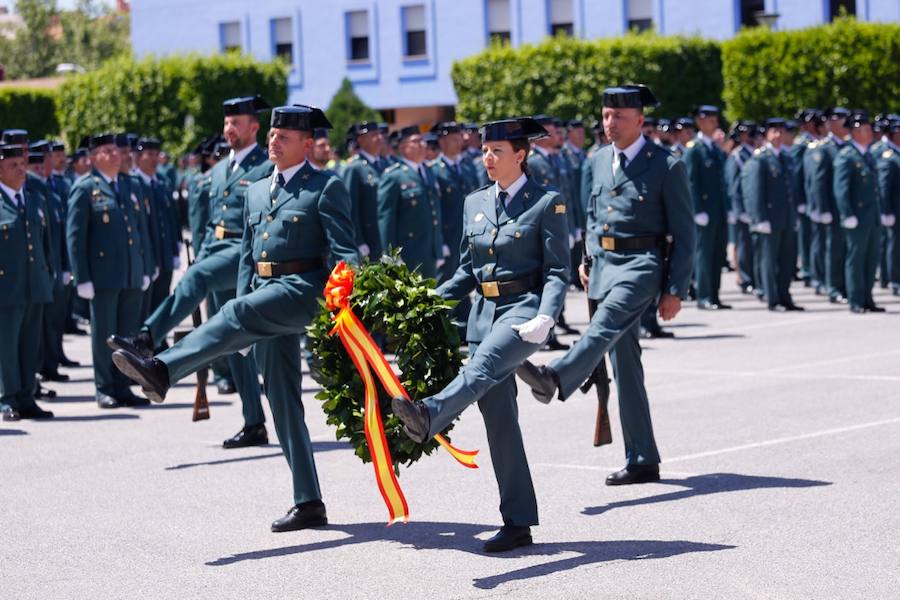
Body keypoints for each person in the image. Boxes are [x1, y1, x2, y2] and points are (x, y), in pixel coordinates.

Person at [112, 105, 358, 533]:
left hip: (303, 292)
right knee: (281, 399)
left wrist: (341, 305)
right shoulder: (257, 190)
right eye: (273, 134)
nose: (274, 140)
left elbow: (344, 254)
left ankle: (163, 369)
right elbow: (247, 257)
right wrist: (243, 314)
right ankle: (309, 501)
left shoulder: (325, 186)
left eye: (285, 135)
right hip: (263, 295)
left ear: (305, 143)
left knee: (235, 310)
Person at [391, 116, 569, 553]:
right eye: (485, 151)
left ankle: (430, 414)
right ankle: (519, 521)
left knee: (483, 365)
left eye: (498, 152)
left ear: (521, 155)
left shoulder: (547, 203)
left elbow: (559, 270)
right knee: (500, 420)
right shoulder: (475, 203)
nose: (488, 158)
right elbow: (467, 272)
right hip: (483, 314)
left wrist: (547, 314)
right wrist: (426, 302)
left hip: (522, 312)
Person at [516, 84, 695, 486]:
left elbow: (685, 234)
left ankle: (557, 378)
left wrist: (675, 290)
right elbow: (592, 219)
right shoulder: (596, 162)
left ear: (640, 121)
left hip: (642, 265)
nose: (609, 123)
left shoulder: (666, 165)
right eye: (606, 115)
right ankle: (643, 458)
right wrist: (585, 259)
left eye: (619, 117)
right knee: (624, 363)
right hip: (604, 266)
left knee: (605, 325)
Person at [108, 96, 271, 446]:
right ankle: (254, 422)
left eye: (236, 123)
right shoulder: (218, 170)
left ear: (254, 127)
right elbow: (209, 221)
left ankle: (147, 339)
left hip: (244, 252)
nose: (229, 129)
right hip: (217, 251)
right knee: (234, 342)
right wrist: (202, 252)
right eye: (227, 123)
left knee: (196, 278)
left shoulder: (265, 166)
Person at [67, 133, 152, 408]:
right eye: (106, 151)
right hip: (102, 276)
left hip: (130, 272)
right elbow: (75, 237)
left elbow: (141, 231)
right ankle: (104, 387)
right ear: (93, 158)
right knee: (105, 333)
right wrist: (82, 277)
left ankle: (123, 385)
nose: (115, 154)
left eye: (115, 149)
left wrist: (146, 266)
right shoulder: (84, 188)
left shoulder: (130, 185)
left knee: (127, 335)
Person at [0, 143, 55, 421]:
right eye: (13, 166)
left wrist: (50, 274)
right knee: (6, 345)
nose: (21, 170)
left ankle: (26, 396)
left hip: (35, 284)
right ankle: (6, 398)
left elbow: (46, 244)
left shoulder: (34, 199)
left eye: (22, 165)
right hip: (7, 288)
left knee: (30, 344)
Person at [742, 119, 803, 312]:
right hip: (769, 218)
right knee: (769, 261)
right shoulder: (760, 158)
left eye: (781, 132)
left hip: (786, 218)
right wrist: (758, 218)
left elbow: (791, 191)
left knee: (787, 261)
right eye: (774, 132)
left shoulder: (786, 158)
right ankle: (772, 298)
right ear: (767, 135)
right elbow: (754, 191)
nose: (778, 135)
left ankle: (785, 296)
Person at [376, 125, 446, 279]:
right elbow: (386, 220)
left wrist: (439, 246)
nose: (422, 145)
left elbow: (435, 212)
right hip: (408, 254)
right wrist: (391, 257)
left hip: (430, 252)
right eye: (416, 141)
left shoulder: (428, 171)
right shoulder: (394, 176)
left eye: (422, 141)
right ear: (402, 147)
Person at [834, 111, 884, 313]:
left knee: (871, 259)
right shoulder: (846, 156)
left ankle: (867, 298)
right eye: (864, 130)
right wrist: (847, 214)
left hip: (872, 216)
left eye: (869, 129)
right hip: (857, 216)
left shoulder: (869, 154)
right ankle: (855, 299)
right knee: (856, 258)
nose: (869, 133)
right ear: (854, 133)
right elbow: (841, 189)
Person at [684, 105, 730, 310]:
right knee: (705, 254)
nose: (715, 123)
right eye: (710, 120)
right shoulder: (694, 149)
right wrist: (697, 210)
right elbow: (690, 182)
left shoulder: (715, 148)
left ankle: (715, 294)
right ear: (700, 122)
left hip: (718, 210)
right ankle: (704, 296)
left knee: (718, 253)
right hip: (704, 211)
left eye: (715, 119)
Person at [806, 107, 850, 303]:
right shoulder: (824, 148)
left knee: (847, 249)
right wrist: (821, 208)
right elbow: (818, 182)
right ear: (831, 124)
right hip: (831, 207)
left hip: (847, 206)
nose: (845, 125)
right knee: (834, 249)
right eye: (840, 120)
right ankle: (833, 287)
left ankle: (847, 284)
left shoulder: (849, 147)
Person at [342, 121, 385, 260]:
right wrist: (359, 241)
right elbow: (350, 208)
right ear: (361, 140)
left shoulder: (385, 164)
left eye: (379, 134)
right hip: (369, 239)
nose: (379, 138)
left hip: (385, 238)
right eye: (373, 135)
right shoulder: (355, 168)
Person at [876, 118, 900, 296]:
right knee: (894, 245)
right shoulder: (888, 157)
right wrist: (886, 211)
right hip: (895, 209)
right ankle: (894, 280)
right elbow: (884, 187)